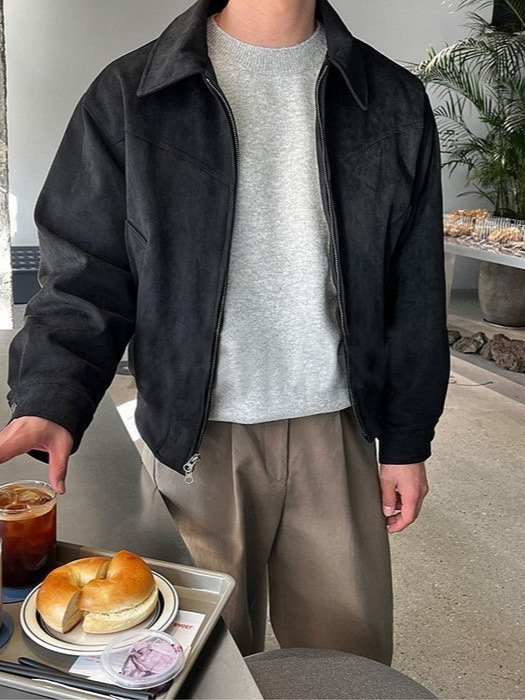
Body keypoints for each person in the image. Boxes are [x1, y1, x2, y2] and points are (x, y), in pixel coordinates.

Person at [1, 0, 450, 664]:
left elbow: (413, 291)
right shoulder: (131, 96)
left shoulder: (391, 101)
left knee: (347, 665)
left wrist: (406, 442)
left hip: (338, 433)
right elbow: (84, 276)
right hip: (194, 439)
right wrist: (50, 396)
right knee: (205, 666)